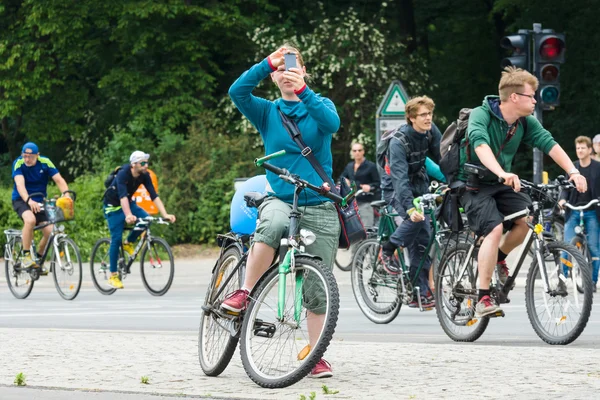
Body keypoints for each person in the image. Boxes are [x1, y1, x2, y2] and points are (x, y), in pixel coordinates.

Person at [226, 44, 340, 378]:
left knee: (318, 289)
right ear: (274, 77)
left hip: (319, 201)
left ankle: (315, 354)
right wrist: (266, 64)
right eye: (281, 70)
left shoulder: (320, 105)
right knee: (272, 224)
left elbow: (331, 123)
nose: (286, 74)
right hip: (281, 197)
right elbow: (237, 91)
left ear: (304, 72)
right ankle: (245, 293)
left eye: (293, 68)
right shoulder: (266, 111)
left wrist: (303, 91)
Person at [456, 66, 587, 318]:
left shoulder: (524, 122)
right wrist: (502, 172)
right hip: (472, 183)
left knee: (527, 220)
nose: (536, 100)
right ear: (514, 97)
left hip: (501, 182)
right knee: (493, 227)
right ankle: (483, 297)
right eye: (531, 95)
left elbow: (549, 143)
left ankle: (497, 258)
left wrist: (574, 171)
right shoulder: (481, 115)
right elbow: (480, 145)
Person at [379, 96, 442, 308]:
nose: (428, 118)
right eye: (423, 115)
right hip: (395, 186)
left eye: (429, 114)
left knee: (425, 239)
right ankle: (387, 250)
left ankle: (419, 292)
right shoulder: (399, 141)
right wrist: (408, 208)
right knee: (415, 219)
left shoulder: (430, 132)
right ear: (411, 118)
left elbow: (443, 159)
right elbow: (399, 179)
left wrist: (456, 182)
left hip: (419, 182)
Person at [102, 151, 176, 289]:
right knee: (116, 239)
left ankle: (129, 242)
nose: (146, 165)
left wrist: (165, 214)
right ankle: (113, 275)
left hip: (128, 203)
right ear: (134, 164)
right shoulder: (123, 174)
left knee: (147, 219)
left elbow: (154, 195)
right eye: (143, 163)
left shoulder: (144, 175)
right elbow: (122, 196)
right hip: (113, 206)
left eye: (147, 162)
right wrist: (128, 215)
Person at [11, 142, 71, 273]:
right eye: (24, 156)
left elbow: (59, 180)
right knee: (30, 220)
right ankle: (26, 256)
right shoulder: (19, 163)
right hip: (21, 200)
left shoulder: (45, 162)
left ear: (37, 155)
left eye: (30, 156)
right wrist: (29, 200)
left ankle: (37, 259)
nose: (27, 159)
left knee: (50, 232)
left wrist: (66, 195)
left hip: (39, 201)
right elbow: (20, 185)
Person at [558, 136, 600, 292]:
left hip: (592, 211)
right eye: (578, 148)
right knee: (567, 246)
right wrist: (562, 200)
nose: (580, 151)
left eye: (583, 148)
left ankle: (593, 282)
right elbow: (565, 188)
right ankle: (562, 281)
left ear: (590, 150)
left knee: (594, 248)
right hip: (574, 210)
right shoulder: (572, 168)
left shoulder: (597, 167)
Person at [339, 142, 381, 227]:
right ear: (352, 152)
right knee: (353, 229)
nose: (357, 152)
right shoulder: (349, 166)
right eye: (354, 150)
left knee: (366, 228)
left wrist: (370, 187)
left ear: (363, 151)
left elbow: (378, 183)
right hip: (351, 203)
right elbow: (341, 178)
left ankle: (369, 241)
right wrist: (345, 181)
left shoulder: (371, 166)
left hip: (365, 202)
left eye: (359, 150)